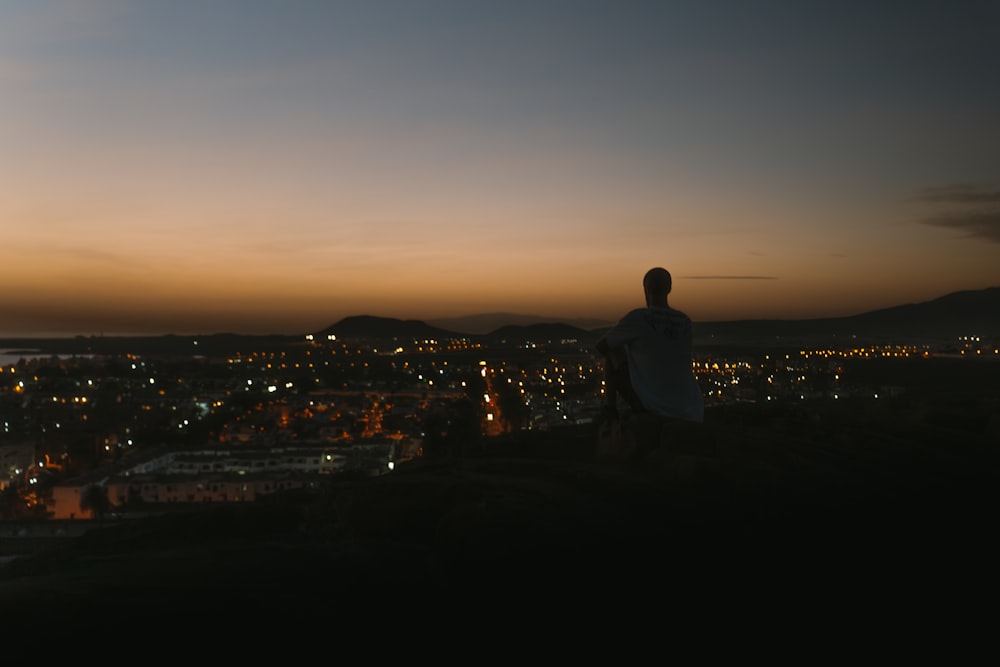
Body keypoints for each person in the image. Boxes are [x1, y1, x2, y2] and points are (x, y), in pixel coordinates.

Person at [596, 267, 704, 427]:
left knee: (613, 349)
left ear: (645, 289)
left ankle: (610, 408)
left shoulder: (639, 318)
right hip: (691, 408)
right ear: (669, 289)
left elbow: (602, 346)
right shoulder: (684, 321)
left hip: (653, 407)